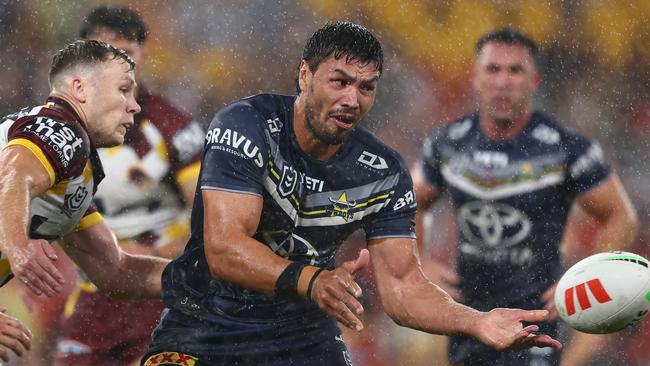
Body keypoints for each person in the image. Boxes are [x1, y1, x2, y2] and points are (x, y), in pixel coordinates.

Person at [141, 22, 561, 366]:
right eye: (339, 81)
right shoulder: (245, 124)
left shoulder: (383, 172)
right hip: (204, 325)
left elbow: (402, 286)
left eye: (366, 87)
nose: (351, 100)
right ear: (304, 75)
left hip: (301, 337)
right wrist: (313, 280)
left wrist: (477, 323)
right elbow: (225, 248)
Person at [412, 28, 638, 366]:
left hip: (536, 321)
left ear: (534, 80)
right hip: (468, 319)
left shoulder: (565, 148)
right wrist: (420, 262)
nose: (503, 82)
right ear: (475, 78)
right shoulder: (447, 144)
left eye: (515, 71)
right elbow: (406, 205)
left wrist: (587, 277)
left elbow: (621, 216)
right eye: (493, 69)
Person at [0, 39, 169, 363]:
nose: (134, 105)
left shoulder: (73, 170)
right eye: (123, 89)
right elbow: (12, 175)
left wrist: (199, 280)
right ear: (80, 88)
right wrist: (18, 247)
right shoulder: (61, 130)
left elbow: (114, 270)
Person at [53, 7, 204, 366]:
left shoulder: (173, 127)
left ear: (143, 57)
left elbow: (208, 208)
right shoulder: (53, 129)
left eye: (126, 57)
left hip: (158, 289)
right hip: (94, 293)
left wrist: (181, 246)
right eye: (103, 55)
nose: (115, 69)